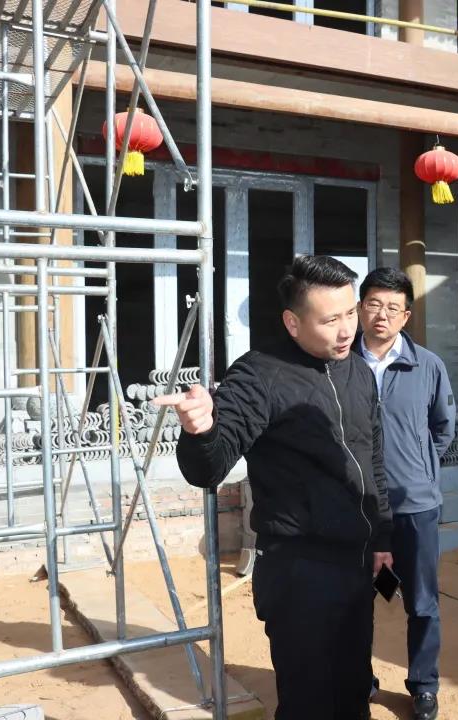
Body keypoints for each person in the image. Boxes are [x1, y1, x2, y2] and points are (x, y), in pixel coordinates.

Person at [156, 255, 391, 720]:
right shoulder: (259, 375)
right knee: (307, 704)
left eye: (350, 313)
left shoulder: (359, 371)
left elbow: (373, 461)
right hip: (299, 572)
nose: (346, 330)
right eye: (330, 320)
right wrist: (201, 431)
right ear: (292, 322)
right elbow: (208, 468)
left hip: (356, 563)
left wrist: (382, 536)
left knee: (353, 692)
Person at [354, 267, 456, 720]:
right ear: (360, 308)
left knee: (422, 601)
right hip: (356, 506)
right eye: (374, 304)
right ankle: (359, 677)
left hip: (415, 505)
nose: (382, 314)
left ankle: (423, 685)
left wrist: (418, 468)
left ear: (406, 316)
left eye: (393, 307)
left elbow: (442, 429)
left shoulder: (427, 365)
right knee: (356, 597)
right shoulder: (341, 363)